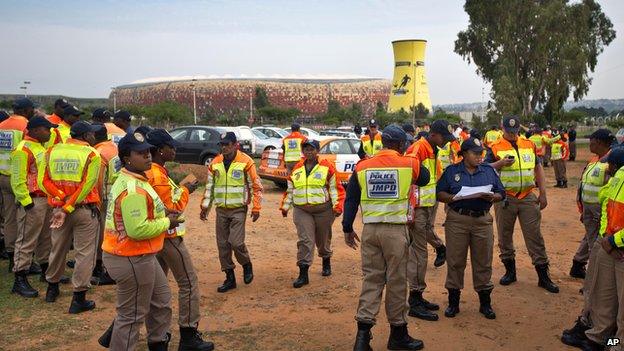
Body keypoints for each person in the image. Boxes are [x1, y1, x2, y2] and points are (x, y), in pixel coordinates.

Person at [342, 125, 429, 351]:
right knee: (397, 281)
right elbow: (426, 178)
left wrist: (347, 227)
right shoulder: (409, 163)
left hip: (370, 231)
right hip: (395, 231)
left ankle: (362, 339)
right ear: (401, 144)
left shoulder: (362, 166)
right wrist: (409, 154)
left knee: (371, 279)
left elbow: (351, 198)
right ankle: (398, 334)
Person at [97, 132, 179, 351]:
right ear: (126, 158)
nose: (147, 156)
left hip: (141, 254)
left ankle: (158, 343)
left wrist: (162, 214)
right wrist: (166, 223)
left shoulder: (136, 179)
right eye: (140, 153)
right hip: (130, 256)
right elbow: (137, 230)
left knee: (161, 301)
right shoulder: (133, 188)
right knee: (131, 317)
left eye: (147, 152)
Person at [145, 129, 215, 351]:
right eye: (170, 147)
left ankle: (151, 335)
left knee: (153, 288)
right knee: (188, 283)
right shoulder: (157, 175)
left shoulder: (149, 171)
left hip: (154, 236)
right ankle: (188, 334)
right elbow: (172, 210)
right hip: (168, 236)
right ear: (159, 150)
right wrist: (185, 190)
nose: (174, 150)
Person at [487, 115, 559, 293]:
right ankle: (510, 271)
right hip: (505, 197)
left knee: (534, 236)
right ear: (502, 129)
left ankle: (543, 276)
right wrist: (500, 163)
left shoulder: (529, 144)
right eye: (509, 131)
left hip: (528, 196)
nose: (512, 134)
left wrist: (542, 193)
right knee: (505, 236)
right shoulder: (494, 147)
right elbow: (485, 169)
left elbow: (538, 168)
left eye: (515, 131)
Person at [436, 138, 505, 320]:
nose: (479, 157)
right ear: (464, 154)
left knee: (483, 261)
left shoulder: (489, 171)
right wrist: (454, 198)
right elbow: (440, 193)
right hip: (458, 220)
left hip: (482, 221)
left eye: (481, 153)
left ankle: (485, 303)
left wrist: (493, 197)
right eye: (475, 153)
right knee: (455, 260)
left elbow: (501, 192)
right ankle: (453, 302)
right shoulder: (452, 171)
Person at [560, 130, 615, 348]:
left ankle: (608, 341)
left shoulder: (611, 166)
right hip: (598, 222)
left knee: (606, 297)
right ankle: (597, 334)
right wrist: (582, 207)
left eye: (592, 141)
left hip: (610, 236)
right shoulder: (596, 162)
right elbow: (585, 186)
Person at [41, 120, 102, 313]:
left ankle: (52, 288)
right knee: (84, 253)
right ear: (85, 136)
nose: (94, 137)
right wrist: (69, 205)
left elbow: (43, 181)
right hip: (82, 209)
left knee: (57, 248)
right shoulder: (92, 154)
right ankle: (78, 298)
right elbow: (87, 185)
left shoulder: (51, 151)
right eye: (92, 134)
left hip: (58, 210)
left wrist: (61, 199)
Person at [200, 132, 263, 293]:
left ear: (236, 145)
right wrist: (205, 207)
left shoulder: (246, 162)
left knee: (236, 242)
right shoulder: (215, 163)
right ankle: (230, 277)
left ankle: (246, 264)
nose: (224, 148)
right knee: (223, 245)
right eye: (222, 145)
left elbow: (256, 186)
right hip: (221, 210)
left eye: (227, 144)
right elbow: (210, 188)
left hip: (238, 209)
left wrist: (256, 207)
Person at [405, 119, 454, 321]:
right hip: (417, 208)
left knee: (420, 251)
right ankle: (415, 300)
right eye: (444, 137)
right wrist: (410, 211)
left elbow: (435, 176)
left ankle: (418, 296)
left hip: (426, 204)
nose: (447, 142)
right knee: (418, 254)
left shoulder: (433, 149)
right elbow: (407, 179)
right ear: (434, 134)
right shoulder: (418, 150)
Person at [279, 139, 345, 288]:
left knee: (322, 239)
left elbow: (335, 188)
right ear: (303, 151)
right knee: (305, 240)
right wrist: (285, 206)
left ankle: (326, 259)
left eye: (312, 149)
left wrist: (337, 206)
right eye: (306, 149)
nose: (309, 152)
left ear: (317, 151)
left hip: (324, 210)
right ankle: (303, 273)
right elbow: (291, 189)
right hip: (302, 210)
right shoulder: (297, 168)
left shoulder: (327, 167)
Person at [578, 148, 624, 350]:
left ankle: (617, 344)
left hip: (618, 247)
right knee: (606, 298)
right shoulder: (617, 178)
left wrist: (614, 241)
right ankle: (602, 338)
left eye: (609, 166)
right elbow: (607, 205)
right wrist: (607, 238)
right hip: (611, 244)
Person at [9, 116, 57, 297]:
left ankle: (46, 271)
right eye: (48, 129)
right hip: (32, 200)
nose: (50, 132)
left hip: (45, 200)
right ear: (36, 130)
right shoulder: (23, 149)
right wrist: (26, 202)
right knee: (26, 240)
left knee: (46, 238)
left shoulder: (39, 147)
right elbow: (17, 179)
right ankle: (19, 279)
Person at [569, 129, 614, 279]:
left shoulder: (612, 161)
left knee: (595, 242)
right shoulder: (595, 159)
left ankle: (593, 276)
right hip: (589, 209)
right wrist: (582, 208)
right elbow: (584, 183)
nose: (590, 145)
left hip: (599, 210)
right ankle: (578, 264)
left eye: (591, 142)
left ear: (599, 143)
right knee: (590, 237)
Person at [0, 97, 36, 272]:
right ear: (25, 110)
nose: (33, 112)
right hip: (20, 178)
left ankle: (11, 255)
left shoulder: (2, 125)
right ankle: (21, 260)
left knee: (9, 218)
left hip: (3, 176)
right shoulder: (25, 126)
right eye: (31, 109)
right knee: (24, 219)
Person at [91, 123, 120, 286]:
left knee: (102, 234)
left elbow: (98, 181)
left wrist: (96, 202)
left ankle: (102, 268)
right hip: (115, 195)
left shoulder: (99, 152)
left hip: (105, 199)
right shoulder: (113, 147)